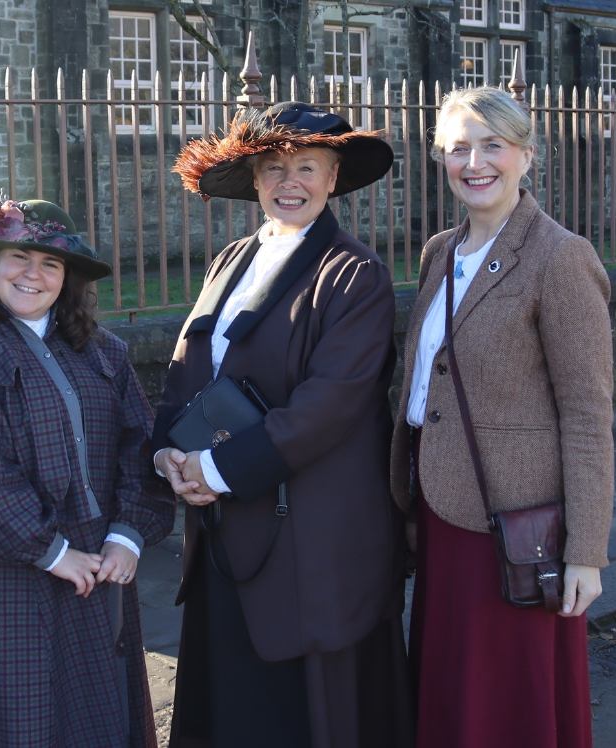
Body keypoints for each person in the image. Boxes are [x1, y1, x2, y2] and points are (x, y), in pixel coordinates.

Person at [159, 102, 413, 748]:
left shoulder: (357, 276)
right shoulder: (230, 261)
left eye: (306, 166)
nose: (288, 182)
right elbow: (187, 370)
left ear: (333, 178)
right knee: (231, 711)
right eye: (273, 168)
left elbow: (327, 407)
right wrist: (166, 450)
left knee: (292, 720)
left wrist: (214, 470)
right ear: (253, 180)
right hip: (222, 531)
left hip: (309, 545)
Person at [391, 86, 614, 748]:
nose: (475, 162)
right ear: (441, 158)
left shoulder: (559, 257)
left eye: (492, 145)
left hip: (516, 532)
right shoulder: (439, 253)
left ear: (526, 155)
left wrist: (587, 554)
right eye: (459, 148)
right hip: (439, 515)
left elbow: (587, 416)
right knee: (451, 692)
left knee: (507, 704)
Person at [0, 198, 174, 747]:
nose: (33, 274)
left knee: (96, 717)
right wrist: (52, 552)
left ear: (68, 278)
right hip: (5, 571)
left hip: (100, 565)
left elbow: (139, 445)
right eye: (19, 257)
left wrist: (127, 535)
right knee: (15, 721)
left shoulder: (102, 352)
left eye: (51, 263)